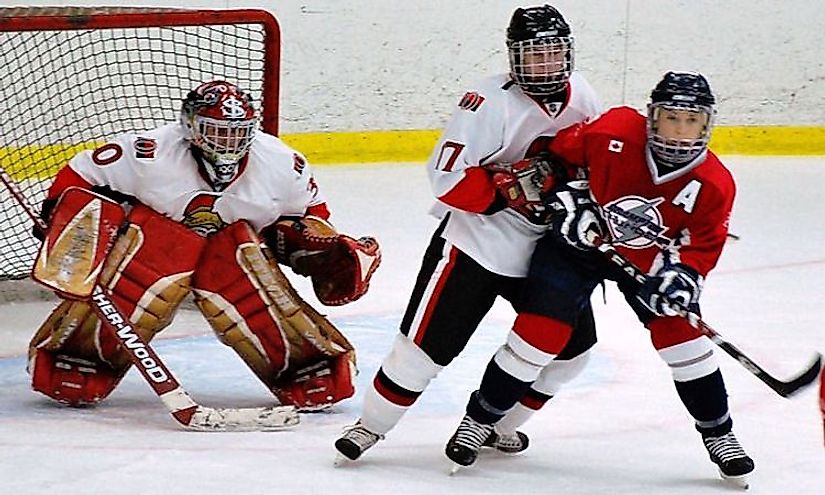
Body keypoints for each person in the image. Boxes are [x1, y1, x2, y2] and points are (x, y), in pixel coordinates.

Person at [445, 71, 755, 487]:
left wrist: (681, 277)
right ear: (652, 117)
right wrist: (571, 199)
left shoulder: (714, 183)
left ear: (707, 124)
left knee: (683, 339)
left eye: (691, 121)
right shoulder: (615, 129)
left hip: (648, 259)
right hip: (576, 247)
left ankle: (720, 435)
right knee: (539, 334)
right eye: (671, 119)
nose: (681, 131)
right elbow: (554, 160)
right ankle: (479, 420)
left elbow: (701, 245)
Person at [334, 4, 602, 463]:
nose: (544, 64)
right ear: (513, 57)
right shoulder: (486, 102)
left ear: (568, 54)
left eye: (553, 53)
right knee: (422, 354)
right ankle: (370, 427)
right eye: (533, 55)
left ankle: (499, 425)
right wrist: (509, 190)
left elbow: (599, 166)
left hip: (545, 253)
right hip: (474, 244)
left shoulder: (585, 98)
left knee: (573, 352)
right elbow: (447, 178)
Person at [27, 80, 381, 411]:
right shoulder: (148, 153)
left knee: (243, 257)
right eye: (217, 132)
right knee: (159, 245)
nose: (228, 144)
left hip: (231, 257)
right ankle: (78, 354)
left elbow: (310, 217)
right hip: (156, 251)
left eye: (237, 134)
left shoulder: (281, 164)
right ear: (190, 129)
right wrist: (62, 217)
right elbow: (80, 174)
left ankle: (307, 363)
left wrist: (318, 247)